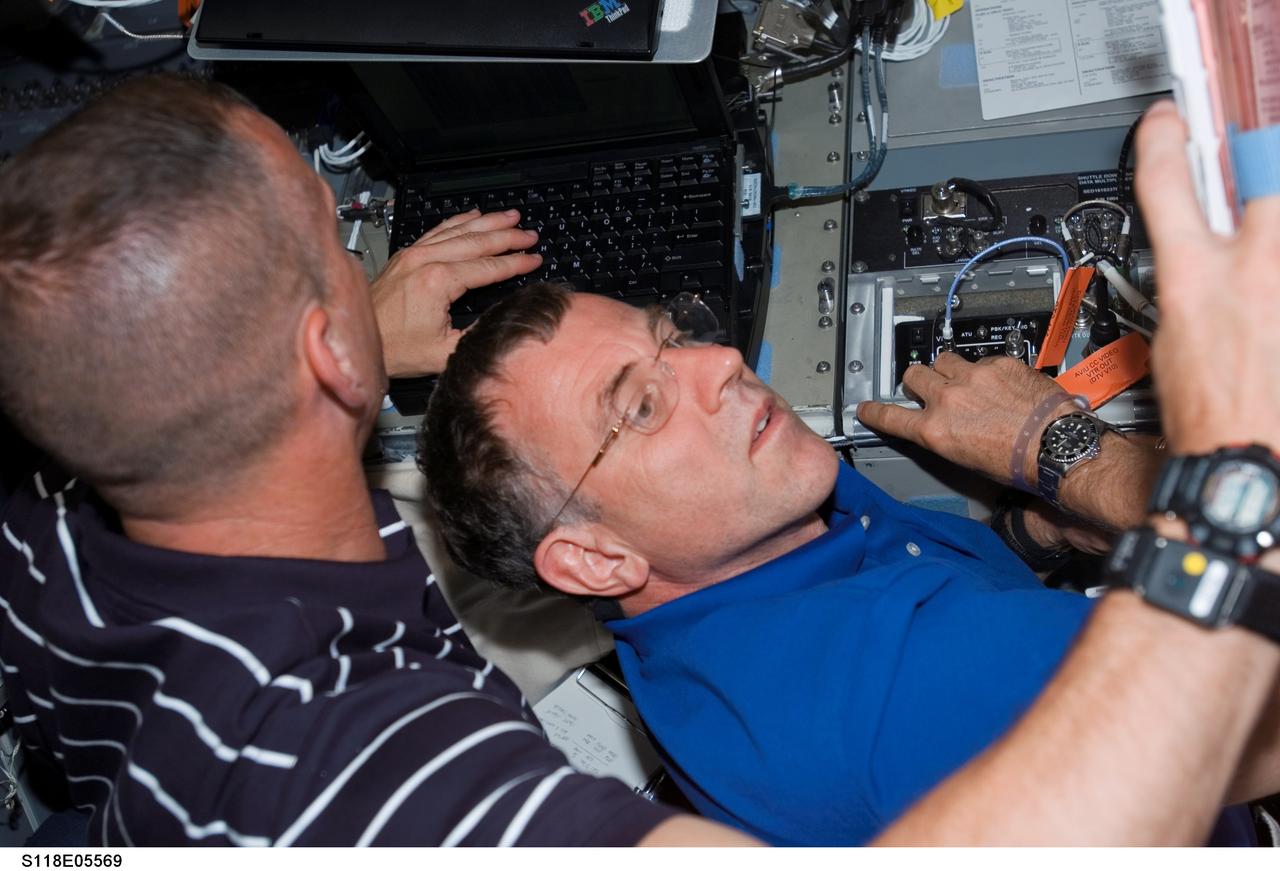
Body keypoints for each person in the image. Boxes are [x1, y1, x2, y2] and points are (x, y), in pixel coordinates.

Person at [0, 71, 1274, 848]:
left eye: (677, 344)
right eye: (338, 235)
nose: (725, 367)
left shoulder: (49, 521)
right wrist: (1198, 466)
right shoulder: (394, 795)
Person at [421, 104, 1280, 844]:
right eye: (641, 406)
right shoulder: (904, 680)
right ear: (597, 559)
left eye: (671, 335)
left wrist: (1031, 535)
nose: (719, 360)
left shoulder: (739, 539)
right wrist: (1073, 454)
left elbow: (910, 582)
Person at [0, 72, 702, 847]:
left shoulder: (40, 522)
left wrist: (334, 336)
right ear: (326, 354)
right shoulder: (372, 771)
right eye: (336, 243)